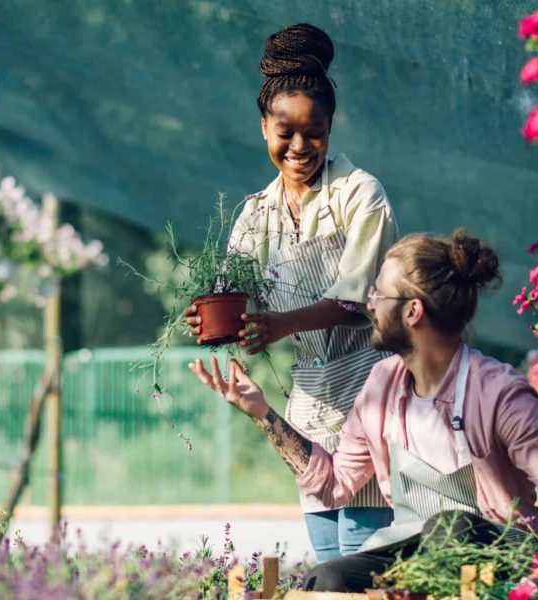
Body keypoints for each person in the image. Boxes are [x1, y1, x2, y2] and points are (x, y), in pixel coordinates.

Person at [190, 230, 538, 592]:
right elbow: (336, 485)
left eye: (378, 294)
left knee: (451, 527)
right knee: (328, 580)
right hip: (413, 554)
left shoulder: (499, 394)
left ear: (412, 311)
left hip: (504, 558)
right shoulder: (381, 386)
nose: (369, 304)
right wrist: (262, 412)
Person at [185, 23, 399, 562]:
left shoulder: (359, 195)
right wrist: (208, 317)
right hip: (308, 406)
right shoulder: (257, 213)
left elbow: (355, 301)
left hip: (371, 393)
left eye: (316, 131)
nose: (300, 146)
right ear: (263, 128)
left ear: (331, 128)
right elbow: (228, 286)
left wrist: (279, 325)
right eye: (286, 132)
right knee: (328, 559)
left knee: (362, 563)